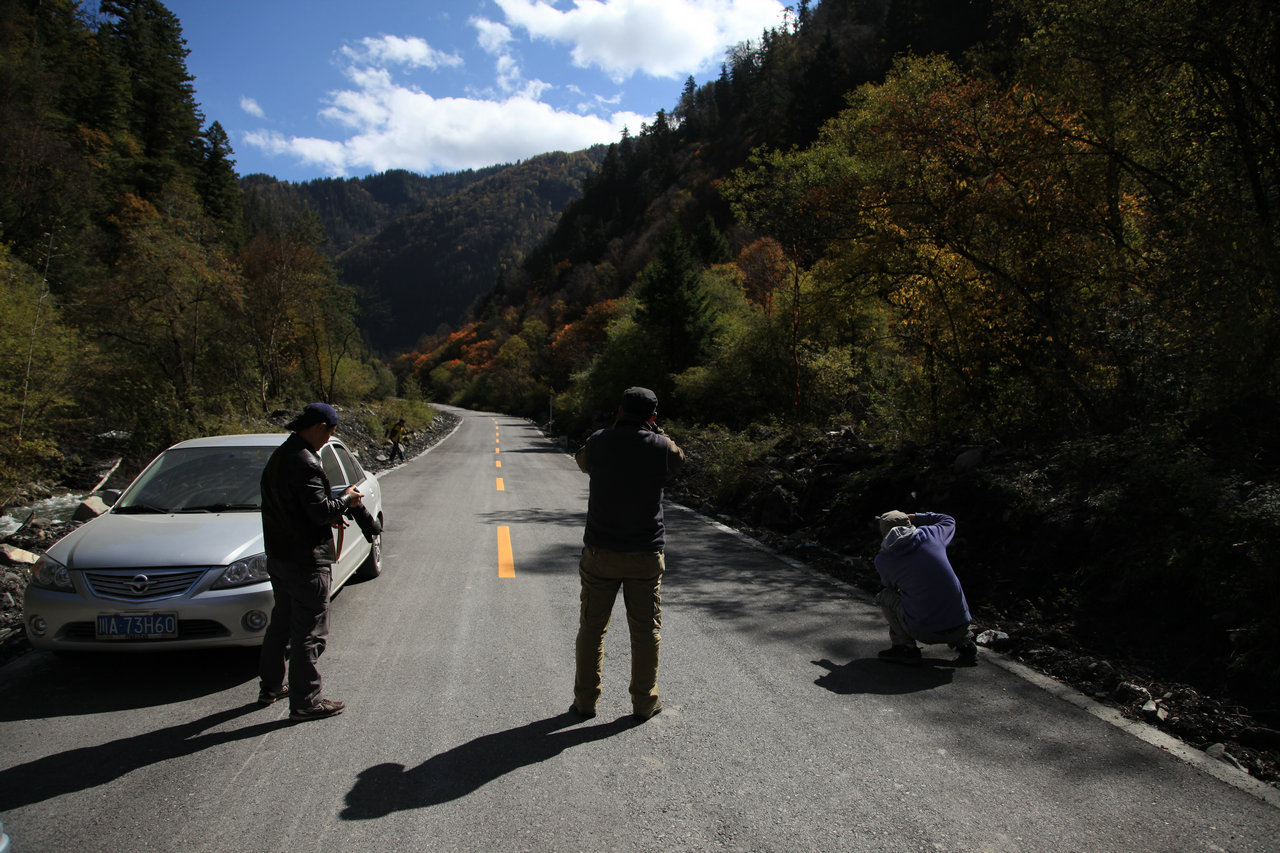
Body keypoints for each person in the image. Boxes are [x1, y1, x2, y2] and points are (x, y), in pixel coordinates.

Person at [571, 386, 685, 722]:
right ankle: (644, 703)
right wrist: (656, 429)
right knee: (646, 629)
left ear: (620, 410)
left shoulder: (599, 441)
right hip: (645, 553)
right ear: (652, 415)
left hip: (601, 552)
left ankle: (586, 701)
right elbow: (679, 460)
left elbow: (582, 461)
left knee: (592, 628)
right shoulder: (661, 447)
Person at [258, 402, 364, 721]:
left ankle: (272, 686)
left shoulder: (280, 457)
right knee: (310, 631)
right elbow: (319, 510)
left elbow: (299, 509)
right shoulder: (304, 461)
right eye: (330, 432)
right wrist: (347, 500)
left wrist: (325, 514)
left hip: (280, 556)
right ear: (320, 426)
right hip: (305, 560)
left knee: (281, 624)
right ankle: (307, 700)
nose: (330, 438)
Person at [873, 510, 978, 666]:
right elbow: (948, 519)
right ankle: (964, 643)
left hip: (924, 632)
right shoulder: (931, 534)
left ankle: (905, 648)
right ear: (910, 523)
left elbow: (890, 585)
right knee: (937, 586)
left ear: (883, 533)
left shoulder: (884, 559)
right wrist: (917, 516)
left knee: (886, 596)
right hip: (961, 624)